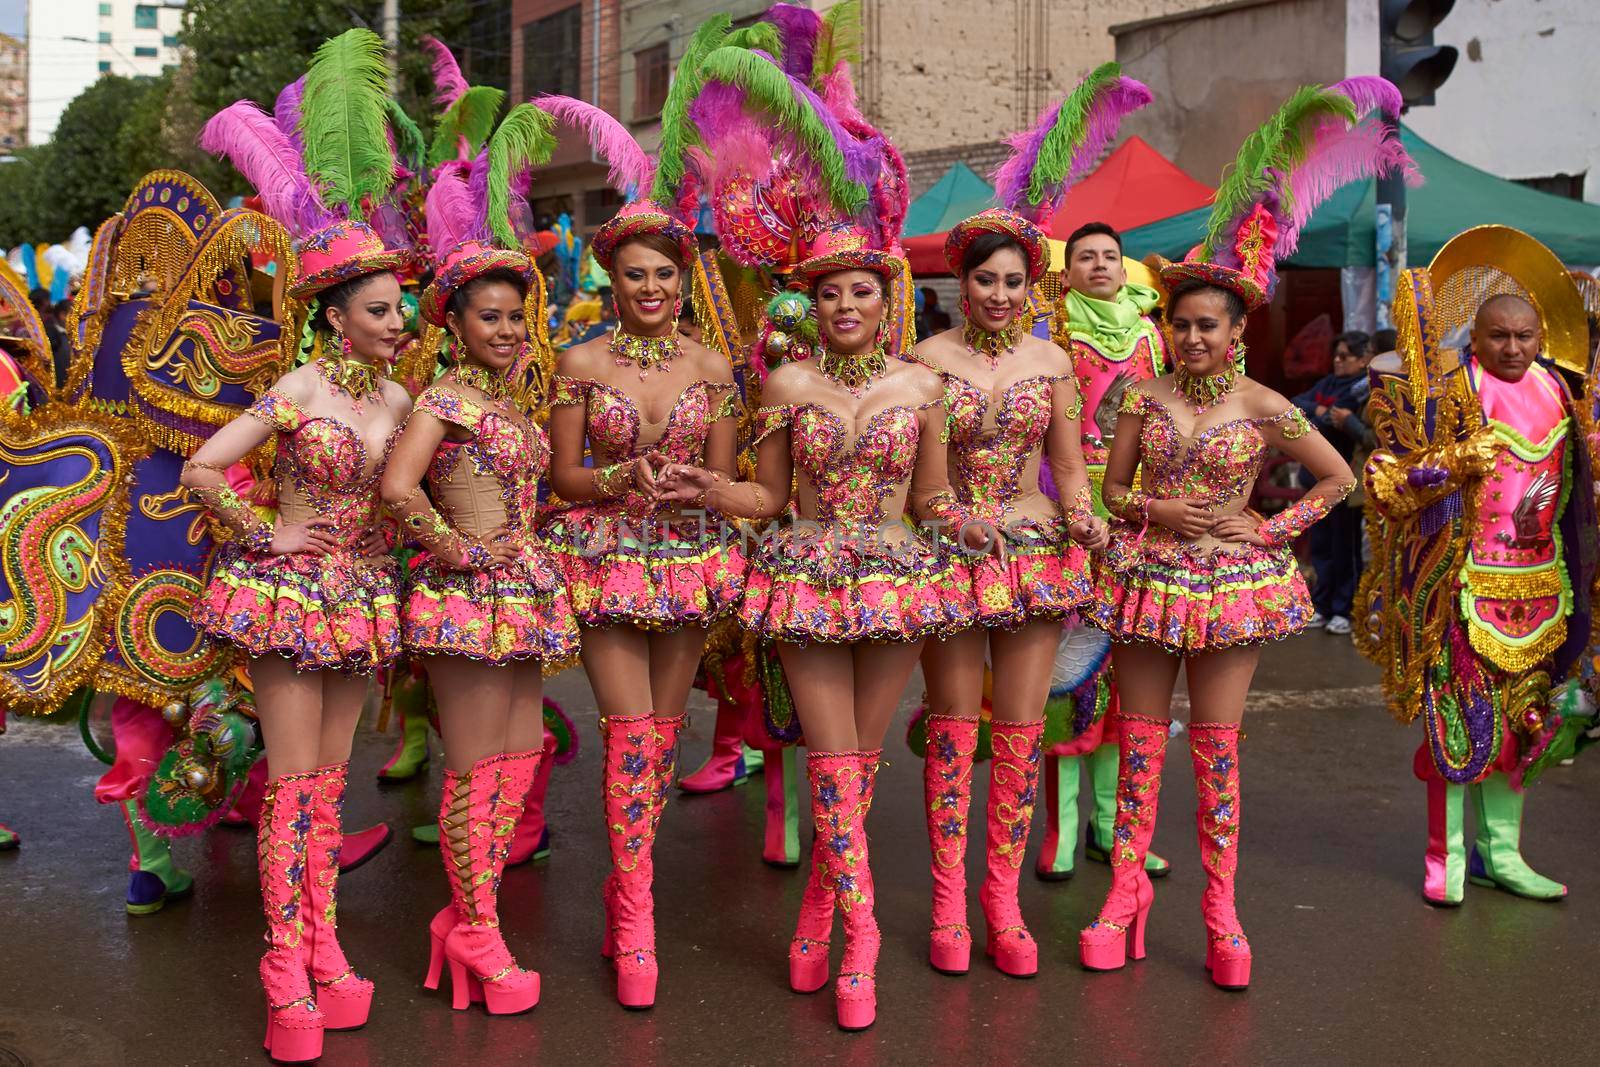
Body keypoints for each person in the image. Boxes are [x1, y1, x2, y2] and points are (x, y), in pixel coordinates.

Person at [1079, 77, 1408, 992]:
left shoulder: (1267, 406)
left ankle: (1220, 908)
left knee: (1215, 751)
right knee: (1138, 739)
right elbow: (1109, 492)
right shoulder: (1140, 396)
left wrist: (1267, 529)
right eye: (1180, 324)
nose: (1191, 337)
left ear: (1235, 332)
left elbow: (1342, 482)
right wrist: (1157, 512)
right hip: (1148, 574)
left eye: (1207, 327)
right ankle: (1126, 895)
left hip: (1228, 581)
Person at [184, 29, 409, 1061]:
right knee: (290, 781)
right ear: (334, 318)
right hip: (287, 593)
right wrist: (259, 525)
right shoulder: (295, 390)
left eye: (398, 305)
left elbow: (407, 489)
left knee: (328, 784)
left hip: (359, 592)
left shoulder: (402, 396)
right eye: (379, 307)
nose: (398, 320)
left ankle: (322, 940)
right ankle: (286, 965)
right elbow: (200, 466)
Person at [906, 63, 1145, 980]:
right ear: (962, 283)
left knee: (1018, 733)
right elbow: (924, 488)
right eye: (986, 280)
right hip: (952, 555)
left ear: (1028, 285)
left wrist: (1087, 521)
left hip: (1039, 554)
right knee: (954, 729)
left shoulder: (1053, 361)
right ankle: (945, 903)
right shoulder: (925, 363)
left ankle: (1001, 903)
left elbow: (1076, 470)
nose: (1001, 294)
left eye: (1014, 280)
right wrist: (954, 517)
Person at [379, 104, 580, 1017]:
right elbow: (398, 487)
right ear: (453, 323)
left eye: (515, 315)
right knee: (470, 767)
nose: (505, 329)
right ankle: (477, 928)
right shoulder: (444, 397)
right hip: (465, 597)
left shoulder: (512, 397)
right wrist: (455, 548)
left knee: (518, 756)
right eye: (488, 316)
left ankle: (469, 920)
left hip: (524, 590)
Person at [1361, 230, 1596, 907]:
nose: (1514, 348)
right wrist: (1454, 461)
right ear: (1477, 335)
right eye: (1500, 336)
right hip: (1459, 590)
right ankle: (1447, 857)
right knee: (1459, 726)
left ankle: (1504, 852)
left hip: (1543, 588)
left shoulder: (1564, 392)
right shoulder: (1442, 393)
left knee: (1525, 727)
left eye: (1525, 335)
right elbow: (1386, 482)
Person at [1041, 216, 1176, 882]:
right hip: (1069, 516)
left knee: (1132, 681)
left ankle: (1115, 829)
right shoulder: (1053, 331)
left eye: (1110, 256)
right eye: (1086, 257)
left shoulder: (1153, 335)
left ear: (1126, 269)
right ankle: (1062, 831)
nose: (1099, 266)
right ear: (1067, 273)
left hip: (1138, 516)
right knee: (1067, 674)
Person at [1292, 330, 1373, 634]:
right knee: (1321, 546)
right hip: (1314, 481)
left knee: (1345, 548)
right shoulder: (1328, 383)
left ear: (1364, 359)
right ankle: (1322, 605)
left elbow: (1337, 414)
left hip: (1345, 482)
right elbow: (1297, 403)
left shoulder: (1363, 387)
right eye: (1336, 356)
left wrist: (1320, 413)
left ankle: (1345, 608)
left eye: (1345, 357)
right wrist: (1323, 411)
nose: (1338, 362)